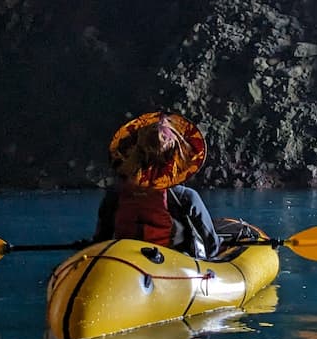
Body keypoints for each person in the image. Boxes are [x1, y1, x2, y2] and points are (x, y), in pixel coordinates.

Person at [92, 111, 221, 259]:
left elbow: (100, 241)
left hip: (124, 263)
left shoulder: (116, 194)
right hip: (170, 266)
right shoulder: (184, 197)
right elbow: (212, 247)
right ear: (174, 157)